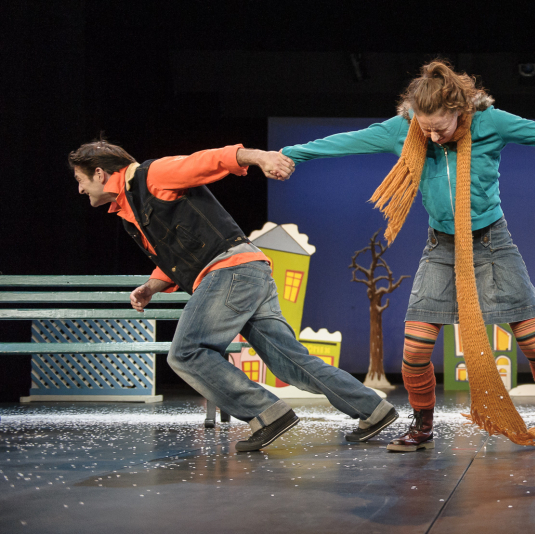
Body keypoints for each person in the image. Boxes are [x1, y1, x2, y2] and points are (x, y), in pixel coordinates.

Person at [281, 59, 535, 451]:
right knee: (415, 350)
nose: (431, 137)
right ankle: (422, 425)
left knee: (534, 343)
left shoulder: (491, 123)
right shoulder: (405, 130)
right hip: (442, 247)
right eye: (424, 127)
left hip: (492, 244)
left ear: (459, 110)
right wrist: (289, 155)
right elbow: (345, 142)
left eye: (440, 127)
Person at [69, 139, 397, 451]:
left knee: (187, 352)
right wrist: (151, 286)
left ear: (100, 173)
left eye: (80, 179)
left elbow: (208, 160)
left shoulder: (151, 175)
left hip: (229, 271)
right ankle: (374, 409)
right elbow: (177, 252)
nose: (80, 188)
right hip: (247, 271)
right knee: (290, 363)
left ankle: (268, 414)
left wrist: (260, 157)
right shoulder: (130, 207)